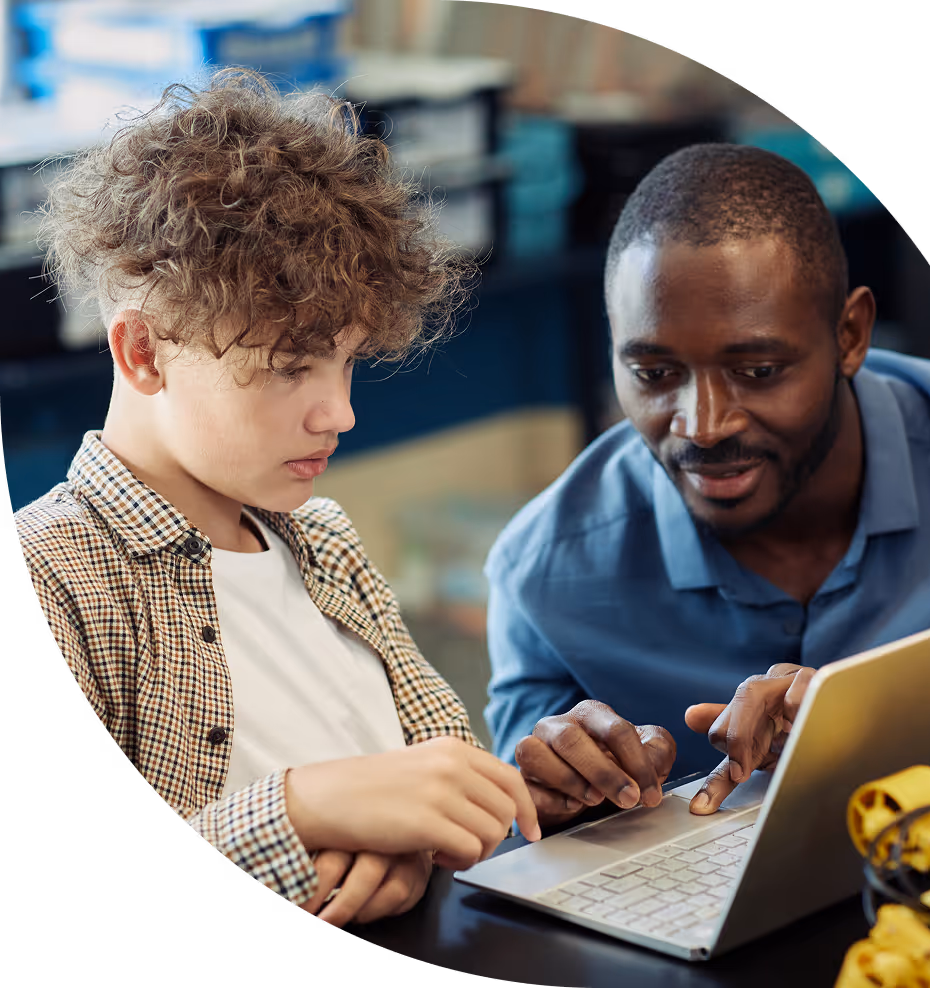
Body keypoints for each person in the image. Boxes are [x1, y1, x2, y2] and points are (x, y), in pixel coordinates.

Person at [13, 70, 540, 927]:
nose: (340, 413)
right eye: (291, 366)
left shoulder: (322, 540)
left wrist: (437, 829)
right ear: (143, 352)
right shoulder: (54, 575)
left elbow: (446, 776)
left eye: (347, 361)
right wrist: (299, 808)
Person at [483, 143, 930, 832]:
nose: (703, 425)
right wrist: (567, 787)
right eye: (654, 374)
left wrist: (874, 727)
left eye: (759, 370)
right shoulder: (542, 574)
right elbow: (520, 813)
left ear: (850, 335)